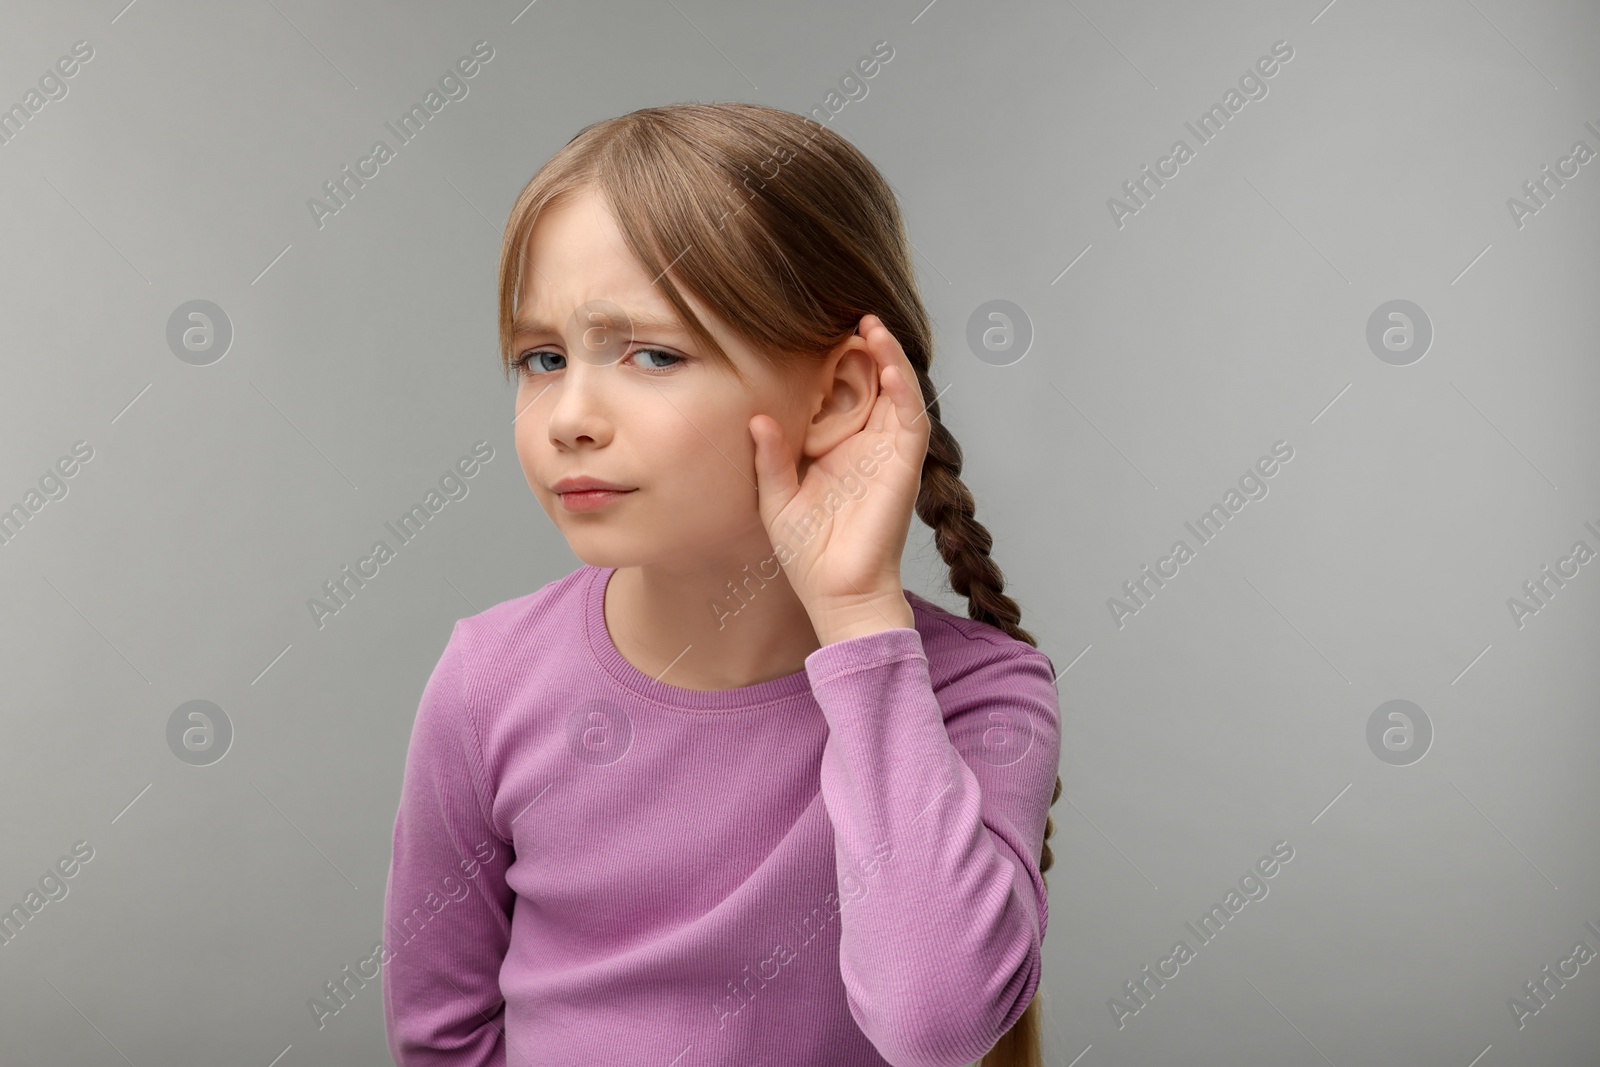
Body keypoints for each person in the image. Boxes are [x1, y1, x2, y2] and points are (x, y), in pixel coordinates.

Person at [381, 102, 1063, 1067]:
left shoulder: (980, 698)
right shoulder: (486, 682)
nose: (570, 414)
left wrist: (859, 620)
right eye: (543, 358)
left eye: (653, 354)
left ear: (835, 395)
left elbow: (937, 1024)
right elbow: (440, 1035)